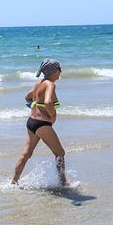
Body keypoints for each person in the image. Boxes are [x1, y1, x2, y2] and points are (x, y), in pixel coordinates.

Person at [11, 58, 67, 186]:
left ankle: (14, 182)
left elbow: (27, 96)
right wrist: (52, 114)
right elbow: (48, 102)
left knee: (26, 154)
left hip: (32, 122)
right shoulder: (50, 84)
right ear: (53, 70)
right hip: (42, 125)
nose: (61, 71)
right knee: (60, 153)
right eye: (59, 68)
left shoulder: (38, 84)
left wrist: (35, 104)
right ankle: (63, 183)